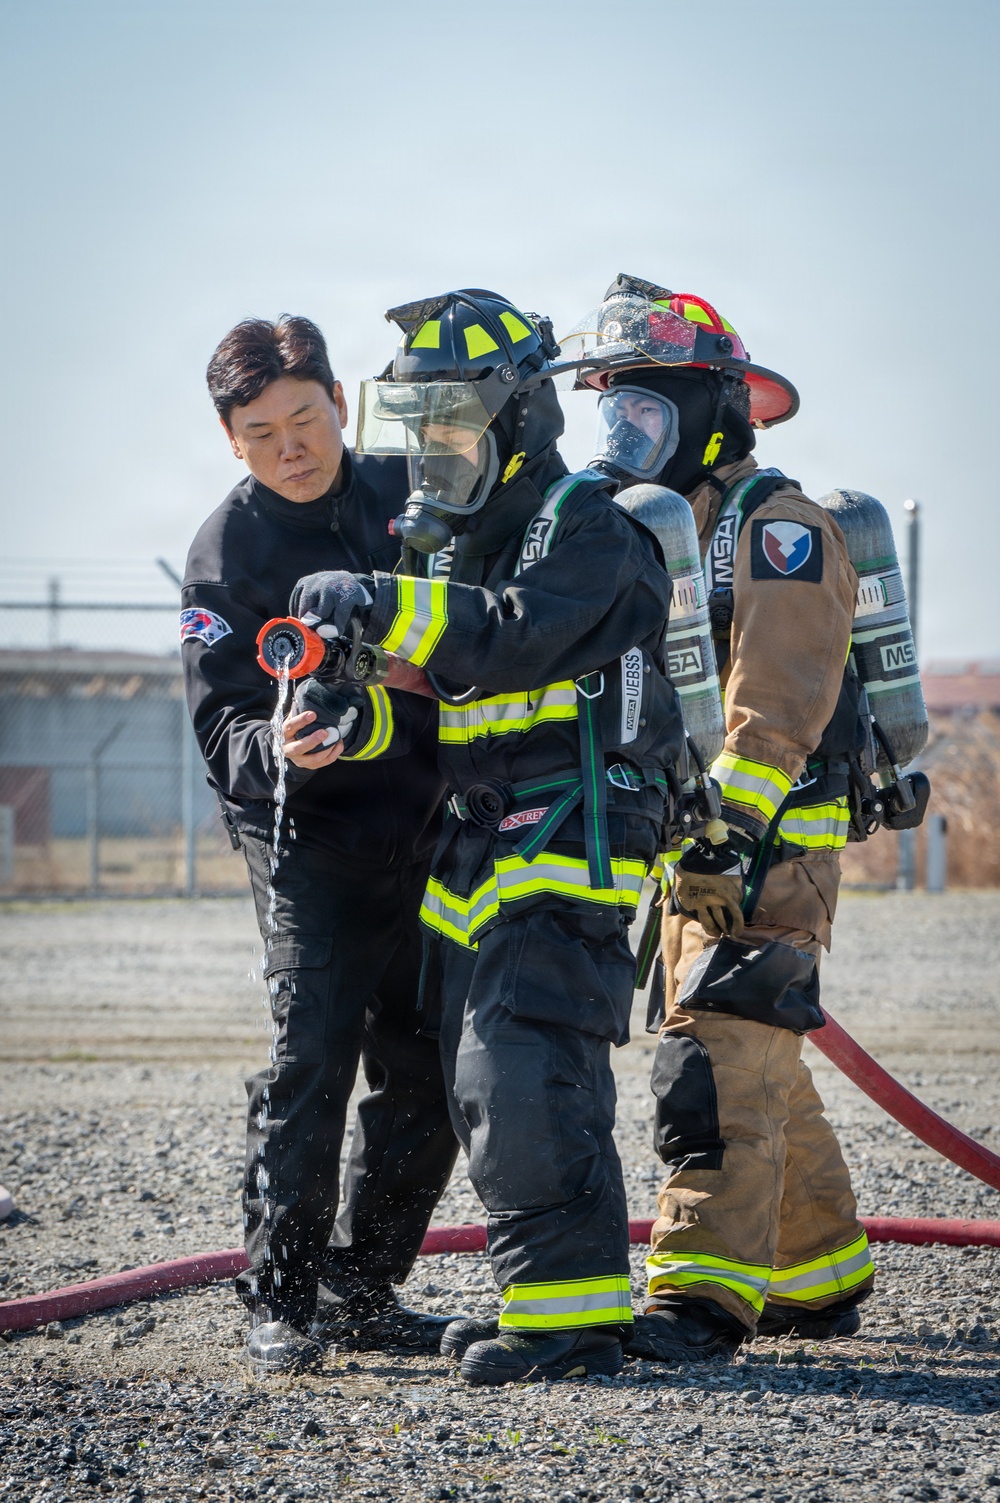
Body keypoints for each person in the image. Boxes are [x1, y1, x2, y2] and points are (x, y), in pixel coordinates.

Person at [290, 288, 685, 1385]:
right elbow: (432, 694)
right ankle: (541, 1302)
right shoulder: (457, 548)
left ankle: (565, 1325)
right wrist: (340, 712)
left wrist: (380, 601)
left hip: (570, 833)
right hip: (478, 844)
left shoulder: (589, 526)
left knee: (521, 1065)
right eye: (417, 423)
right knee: (467, 1080)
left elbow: (512, 642)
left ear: (517, 414)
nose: (431, 447)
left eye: (452, 419)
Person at [569, 273, 876, 1362]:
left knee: (710, 1062)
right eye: (615, 411)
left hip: (767, 850)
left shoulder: (779, 531)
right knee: (758, 1058)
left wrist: (725, 837)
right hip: (695, 852)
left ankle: (698, 1297)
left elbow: (773, 709)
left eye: (648, 410)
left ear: (713, 410)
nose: (626, 436)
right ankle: (818, 1273)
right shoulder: (666, 530)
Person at [181, 315, 460, 1376]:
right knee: (311, 1059)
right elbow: (222, 729)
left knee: (432, 1059)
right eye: (261, 433)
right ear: (231, 440)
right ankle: (282, 1301)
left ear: (341, 403)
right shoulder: (226, 551)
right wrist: (281, 747)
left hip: (430, 819)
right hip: (303, 833)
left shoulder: (414, 492)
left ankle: (363, 1290)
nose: (290, 447)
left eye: (305, 418)